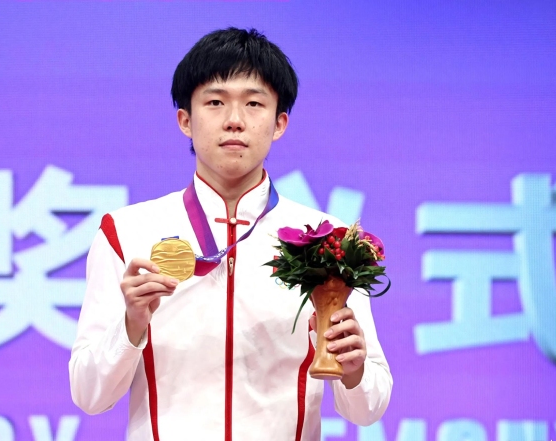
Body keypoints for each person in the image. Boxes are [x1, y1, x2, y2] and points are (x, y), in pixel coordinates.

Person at [69, 27, 392, 440]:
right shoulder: (126, 233)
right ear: (186, 120)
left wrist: (355, 369)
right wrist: (131, 324)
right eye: (215, 102)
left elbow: (367, 409)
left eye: (254, 103)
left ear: (279, 123)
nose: (235, 121)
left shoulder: (330, 243)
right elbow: (89, 395)